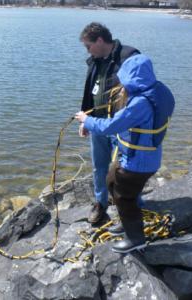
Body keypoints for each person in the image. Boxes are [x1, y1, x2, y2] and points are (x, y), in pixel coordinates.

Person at [75, 54, 175, 253]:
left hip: (137, 162)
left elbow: (111, 126)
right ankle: (126, 223)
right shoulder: (159, 91)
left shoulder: (140, 103)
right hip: (145, 157)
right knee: (112, 181)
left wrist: (87, 120)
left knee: (124, 197)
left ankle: (135, 238)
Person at [79, 22, 140, 225]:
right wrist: (85, 120)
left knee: (123, 169)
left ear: (100, 40)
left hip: (121, 127)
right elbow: (90, 90)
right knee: (99, 167)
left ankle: (131, 205)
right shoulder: (95, 61)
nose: (87, 51)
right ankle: (101, 204)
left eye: (88, 46)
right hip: (97, 124)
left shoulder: (129, 56)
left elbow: (140, 93)